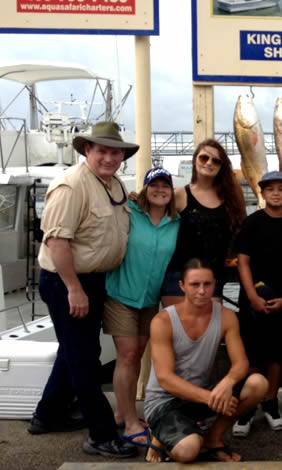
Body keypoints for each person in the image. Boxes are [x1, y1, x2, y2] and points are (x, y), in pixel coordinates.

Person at [28, 122, 138, 458]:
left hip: (93, 280)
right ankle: (101, 434)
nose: (108, 157)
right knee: (85, 359)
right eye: (101, 150)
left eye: (114, 151)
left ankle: (47, 415)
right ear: (87, 151)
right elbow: (58, 241)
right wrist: (74, 289)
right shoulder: (71, 185)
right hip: (67, 281)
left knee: (74, 351)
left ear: (122, 155)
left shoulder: (113, 183)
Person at [144, 259, 268, 463]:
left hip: (200, 396)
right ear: (182, 286)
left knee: (258, 384)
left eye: (207, 284)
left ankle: (212, 439)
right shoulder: (163, 321)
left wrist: (227, 383)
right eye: (194, 285)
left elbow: (241, 364)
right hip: (164, 403)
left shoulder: (227, 316)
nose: (201, 291)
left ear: (214, 284)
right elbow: (165, 378)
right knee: (188, 451)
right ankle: (162, 435)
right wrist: (211, 398)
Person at [102, 167, 180, 445]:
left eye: (165, 186)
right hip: (120, 294)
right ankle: (131, 422)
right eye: (154, 185)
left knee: (136, 355)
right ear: (145, 189)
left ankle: (122, 413)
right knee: (127, 354)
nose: (160, 190)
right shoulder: (129, 213)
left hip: (150, 300)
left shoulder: (176, 222)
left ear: (172, 192)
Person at [232, 171, 282, 436]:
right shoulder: (252, 223)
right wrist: (252, 296)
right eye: (270, 189)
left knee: (277, 354)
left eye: (281, 189)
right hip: (253, 299)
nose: (275, 193)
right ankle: (248, 405)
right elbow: (243, 261)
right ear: (262, 194)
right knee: (253, 353)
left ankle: (271, 402)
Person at [161, 139, 246, 307]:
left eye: (216, 160)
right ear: (195, 160)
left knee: (210, 331)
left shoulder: (231, 199)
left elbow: (242, 232)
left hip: (212, 278)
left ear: (221, 166)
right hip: (178, 277)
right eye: (204, 158)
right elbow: (153, 221)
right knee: (177, 330)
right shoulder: (179, 195)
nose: (209, 163)